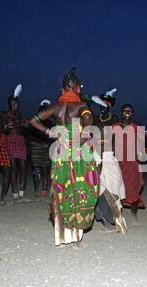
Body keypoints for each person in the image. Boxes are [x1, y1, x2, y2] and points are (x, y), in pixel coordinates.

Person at [29, 68, 99, 248]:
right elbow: (88, 123)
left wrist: (49, 132)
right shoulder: (82, 107)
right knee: (82, 188)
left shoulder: (56, 107)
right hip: (78, 151)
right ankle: (76, 236)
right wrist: (79, 138)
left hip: (61, 151)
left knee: (61, 189)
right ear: (76, 88)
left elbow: (33, 120)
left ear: (63, 89)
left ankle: (62, 236)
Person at [91, 92, 127, 234]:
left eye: (106, 104)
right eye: (101, 104)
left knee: (112, 189)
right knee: (97, 190)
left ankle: (118, 218)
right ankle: (106, 223)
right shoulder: (93, 119)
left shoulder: (113, 119)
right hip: (95, 156)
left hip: (108, 156)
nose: (103, 107)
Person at [112, 104, 146, 225]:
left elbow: (141, 146)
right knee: (115, 188)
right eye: (125, 110)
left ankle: (134, 215)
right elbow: (110, 144)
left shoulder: (137, 128)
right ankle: (117, 215)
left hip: (132, 163)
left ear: (132, 113)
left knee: (132, 189)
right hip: (117, 162)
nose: (127, 112)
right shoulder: (114, 127)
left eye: (130, 111)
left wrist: (142, 154)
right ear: (121, 112)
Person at [6, 84, 29, 203]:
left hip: (20, 140)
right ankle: (15, 194)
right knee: (14, 168)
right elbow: (8, 128)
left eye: (17, 103)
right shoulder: (6, 114)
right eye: (14, 103)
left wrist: (24, 125)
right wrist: (20, 123)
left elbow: (21, 128)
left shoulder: (19, 114)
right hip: (11, 140)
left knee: (23, 167)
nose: (17, 105)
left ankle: (21, 193)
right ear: (10, 104)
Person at [27, 100, 54, 200]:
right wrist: (40, 143)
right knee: (36, 170)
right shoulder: (34, 124)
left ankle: (43, 191)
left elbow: (52, 136)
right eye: (42, 111)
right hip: (36, 149)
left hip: (46, 149)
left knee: (45, 170)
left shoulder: (50, 123)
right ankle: (35, 190)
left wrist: (48, 144)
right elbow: (30, 136)